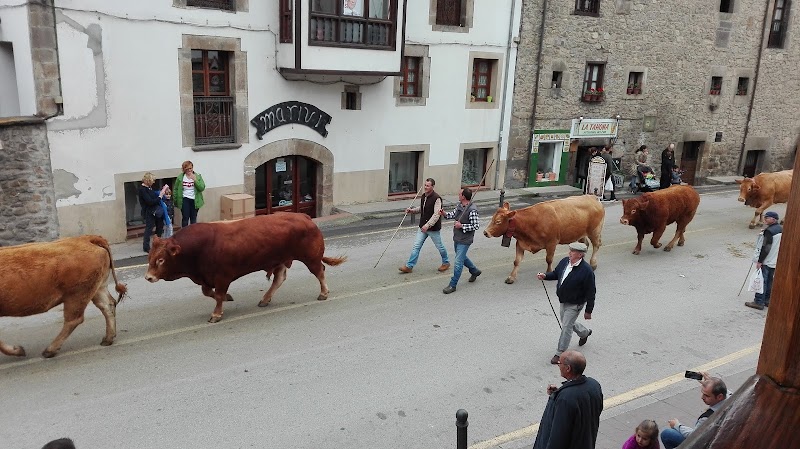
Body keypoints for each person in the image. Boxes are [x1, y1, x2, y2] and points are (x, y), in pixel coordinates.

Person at [537, 242, 595, 365]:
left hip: (575, 304)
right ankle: (584, 332)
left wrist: (588, 310)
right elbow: (556, 274)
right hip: (563, 300)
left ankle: (560, 354)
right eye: (570, 250)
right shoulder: (565, 262)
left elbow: (591, 292)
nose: (569, 253)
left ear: (580, 255)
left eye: (573, 251)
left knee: (566, 327)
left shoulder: (587, 271)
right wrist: (545, 276)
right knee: (566, 322)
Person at [531, 350, 603, 449]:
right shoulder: (594, 385)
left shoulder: (565, 399)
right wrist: (557, 394)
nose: (558, 365)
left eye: (559, 363)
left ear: (568, 368)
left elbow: (558, 436)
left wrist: (560, 396)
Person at [661, 374, 730, 449]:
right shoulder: (732, 399)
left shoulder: (707, 418)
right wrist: (712, 382)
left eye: (707, 395)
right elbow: (726, 392)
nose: (702, 397)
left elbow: (693, 436)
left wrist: (677, 425)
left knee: (667, 434)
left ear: (719, 397)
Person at [398, 178, 450, 274]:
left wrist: (427, 225)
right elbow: (422, 208)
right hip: (422, 227)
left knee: (440, 247)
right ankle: (409, 266)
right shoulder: (423, 196)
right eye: (425, 185)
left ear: (432, 187)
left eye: (428, 186)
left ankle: (446, 262)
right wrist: (412, 211)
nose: (425, 187)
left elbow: (437, 214)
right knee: (416, 246)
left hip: (433, 228)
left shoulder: (437, 198)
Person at [439, 187, 481, 294]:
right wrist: (444, 214)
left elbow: (476, 226)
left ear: (463, 197)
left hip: (465, 239)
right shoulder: (460, 205)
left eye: (459, 194)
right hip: (457, 237)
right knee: (462, 257)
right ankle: (474, 271)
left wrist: (462, 226)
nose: (458, 195)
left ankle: (453, 285)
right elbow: (453, 214)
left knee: (458, 262)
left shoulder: (472, 210)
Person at [745, 210, 783, 310]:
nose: (765, 219)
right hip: (774, 260)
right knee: (770, 281)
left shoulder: (769, 231)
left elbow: (766, 248)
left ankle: (758, 302)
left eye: (767, 218)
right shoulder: (780, 229)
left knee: (762, 281)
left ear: (773, 219)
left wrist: (760, 261)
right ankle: (767, 300)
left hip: (767, 260)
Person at [138, 172, 167, 253]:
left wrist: (161, 194)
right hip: (149, 211)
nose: (154, 182)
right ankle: (146, 247)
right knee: (149, 229)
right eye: (153, 180)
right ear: (148, 180)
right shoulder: (143, 190)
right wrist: (160, 196)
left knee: (160, 226)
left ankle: (158, 243)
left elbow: (154, 197)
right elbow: (150, 202)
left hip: (156, 210)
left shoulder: (149, 188)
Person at [173, 160, 206, 228]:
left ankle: (193, 233)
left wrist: (195, 180)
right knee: (185, 218)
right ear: (184, 169)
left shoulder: (197, 176)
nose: (189, 170)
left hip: (195, 200)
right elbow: (175, 189)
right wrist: (175, 200)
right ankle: (184, 233)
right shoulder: (180, 177)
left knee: (193, 218)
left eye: (190, 168)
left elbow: (202, 188)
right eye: (187, 169)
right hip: (185, 199)